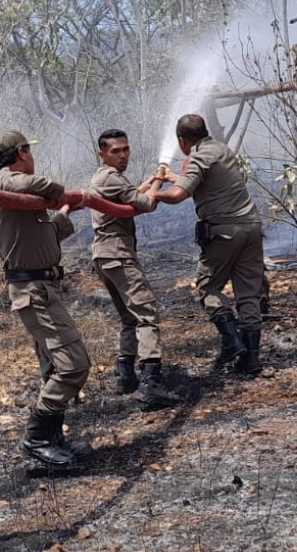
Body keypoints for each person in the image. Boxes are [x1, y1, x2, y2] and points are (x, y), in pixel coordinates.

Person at [0, 131, 92, 467]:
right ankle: (37, 440)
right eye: (28, 152)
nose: (32, 158)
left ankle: (53, 439)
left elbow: (43, 236)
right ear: (20, 153)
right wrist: (59, 191)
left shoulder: (18, 197)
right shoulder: (7, 181)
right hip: (34, 291)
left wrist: (62, 211)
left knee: (53, 367)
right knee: (74, 365)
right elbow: (21, 185)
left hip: (42, 288)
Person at [153, 114, 266, 375]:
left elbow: (179, 194)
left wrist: (154, 194)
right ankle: (252, 359)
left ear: (182, 140)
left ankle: (232, 342)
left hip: (224, 232)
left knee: (208, 288)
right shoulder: (220, 149)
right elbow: (202, 178)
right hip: (251, 228)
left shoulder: (198, 157)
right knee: (248, 293)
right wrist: (174, 175)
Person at [87, 129, 183, 406]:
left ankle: (126, 376)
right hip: (118, 254)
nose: (123, 155)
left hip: (106, 255)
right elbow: (146, 203)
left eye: (125, 149)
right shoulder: (111, 178)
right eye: (116, 151)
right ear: (102, 153)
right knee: (147, 313)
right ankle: (151, 381)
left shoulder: (106, 178)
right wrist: (161, 180)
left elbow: (133, 193)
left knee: (129, 318)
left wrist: (155, 177)